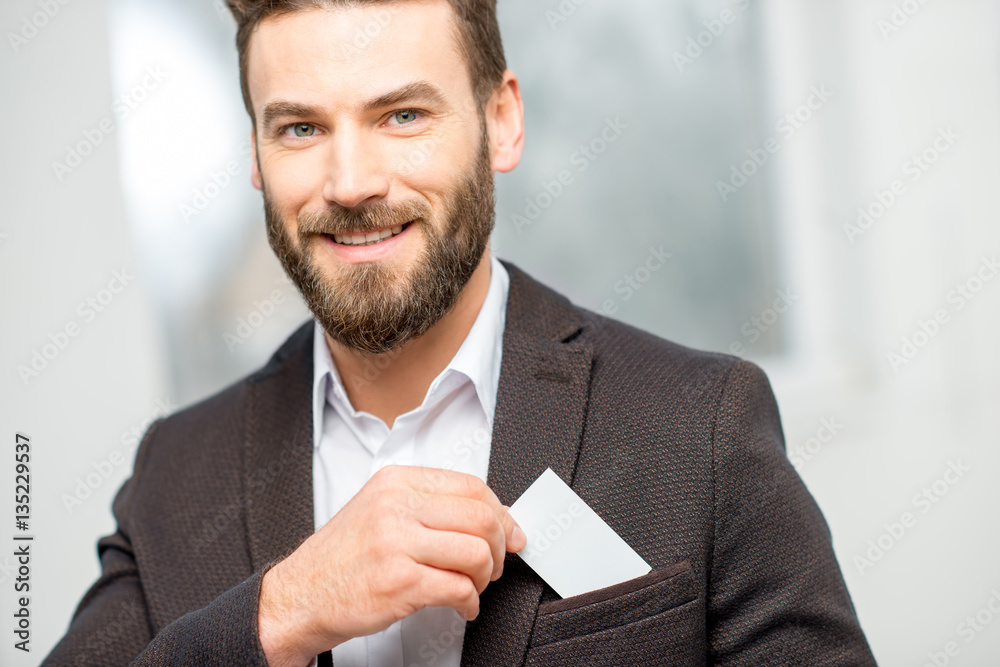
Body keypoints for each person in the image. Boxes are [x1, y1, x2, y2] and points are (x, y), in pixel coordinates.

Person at [43, 0, 877, 665]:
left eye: (402, 115)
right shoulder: (173, 473)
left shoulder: (700, 423)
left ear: (501, 120)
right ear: (256, 156)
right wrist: (283, 611)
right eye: (301, 127)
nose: (351, 181)